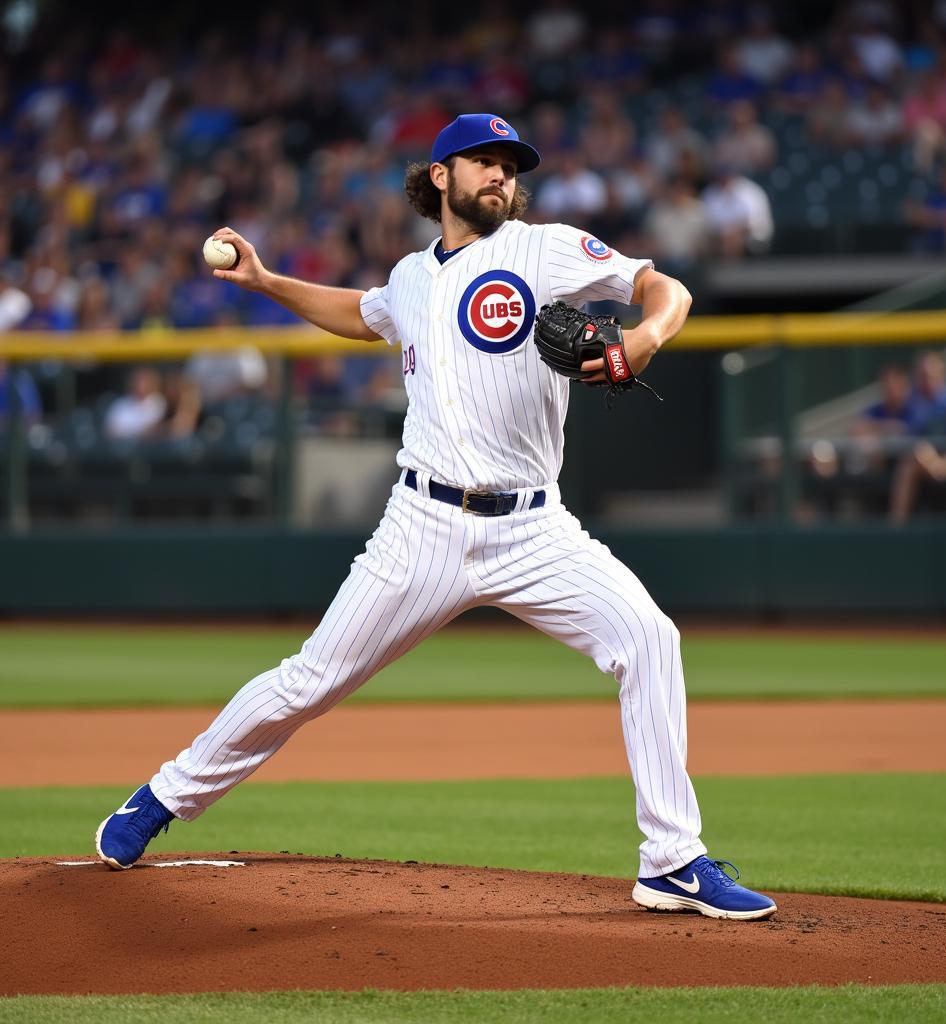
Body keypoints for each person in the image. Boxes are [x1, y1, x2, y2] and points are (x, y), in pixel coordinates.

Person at [95, 112, 776, 921]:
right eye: (482, 162)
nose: (500, 176)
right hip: (422, 526)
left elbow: (666, 289)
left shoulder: (544, 247)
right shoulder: (412, 278)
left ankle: (671, 861)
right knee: (310, 680)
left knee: (649, 639)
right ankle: (161, 798)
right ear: (441, 176)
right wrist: (268, 282)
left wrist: (647, 338)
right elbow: (363, 312)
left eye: (509, 166)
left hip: (534, 527)